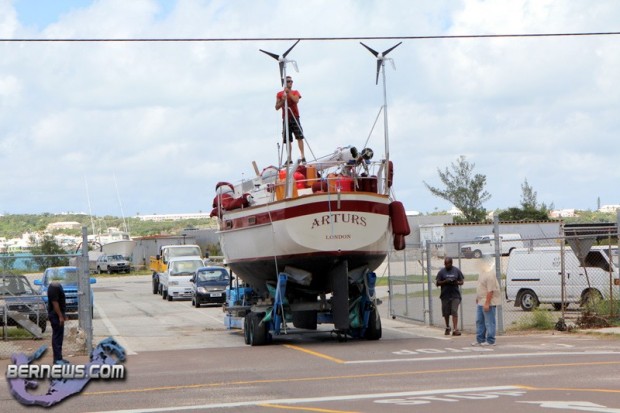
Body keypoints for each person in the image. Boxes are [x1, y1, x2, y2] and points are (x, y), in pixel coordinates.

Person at [275, 75, 306, 163]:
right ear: (285, 82)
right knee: (287, 139)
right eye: (288, 81)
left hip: (294, 117)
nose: (290, 83)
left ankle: (303, 156)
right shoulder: (279, 94)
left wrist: (288, 93)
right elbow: (277, 107)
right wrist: (282, 100)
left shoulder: (295, 92)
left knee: (299, 136)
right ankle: (289, 158)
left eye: (291, 81)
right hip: (285, 118)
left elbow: (296, 100)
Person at [472, 261, 501, 346]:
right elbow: (480, 286)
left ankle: (490, 340)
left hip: (488, 302)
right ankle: (480, 339)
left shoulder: (490, 275)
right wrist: (477, 297)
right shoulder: (482, 273)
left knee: (489, 321)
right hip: (481, 301)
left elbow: (490, 291)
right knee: (479, 321)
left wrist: (487, 303)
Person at [435, 257, 464, 336]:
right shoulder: (441, 272)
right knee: (446, 312)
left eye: (448, 264)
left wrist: (456, 282)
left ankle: (455, 329)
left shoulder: (456, 270)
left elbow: (461, 282)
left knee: (454, 311)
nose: (446, 265)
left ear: (451, 263)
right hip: (445, 295)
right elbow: (437, 283)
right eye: (445, 264)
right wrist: (445, 281)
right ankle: (448, 327)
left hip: (455, 295)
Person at [47, 281, 68, 364]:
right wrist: (60, 316)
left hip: (57, 315)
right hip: (55, 316)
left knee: (59, 337)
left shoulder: (56, 288)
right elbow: (55, 304)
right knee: (57, 337)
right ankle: (57, 360)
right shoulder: (54, 289)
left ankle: (59, 358)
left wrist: (63, 314)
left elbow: (60, 302)